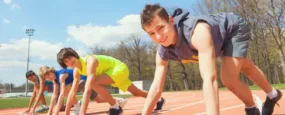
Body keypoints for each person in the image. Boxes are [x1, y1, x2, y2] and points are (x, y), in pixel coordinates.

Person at [139, 3, 282, 115]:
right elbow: (157, 87)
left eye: (160, 28)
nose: (158, 37)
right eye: (151, 33)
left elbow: (210, 79)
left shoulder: (197, 33)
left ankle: (252, 109)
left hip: (233, 29)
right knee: (244, 66)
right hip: (217, 40)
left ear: (171, 21)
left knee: (228, 79)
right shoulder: (162, 51)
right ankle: (273, 94)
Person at [56, 47, 165, 115]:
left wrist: (82, 113)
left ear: (74, 55)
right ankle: (158, 99)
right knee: (136, 92)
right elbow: (72, 92)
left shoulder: (90, 61)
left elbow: (88, 90)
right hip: (109, 74)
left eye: (70, 58)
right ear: (65, 65)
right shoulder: (76, 71)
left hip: (118, 69)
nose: (69, 61)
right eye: (66, 61)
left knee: (93, 83)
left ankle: (115, 107)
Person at [30, 66, 128, 115]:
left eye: (47, 75)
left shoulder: (61, 76)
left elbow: (60, 95)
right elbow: (54, 96)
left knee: (66, 91)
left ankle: (77, 107)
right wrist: (50, 112)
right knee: (97, 99)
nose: (47, 78)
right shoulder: (54, 80)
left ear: (51, 71)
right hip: (80, 83)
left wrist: (56, 113)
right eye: (45, 77)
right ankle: (120, 100)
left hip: (84, 80)